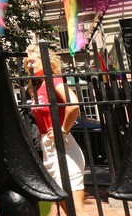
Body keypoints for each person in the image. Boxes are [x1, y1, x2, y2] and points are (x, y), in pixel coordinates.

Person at [26, 44, 86, 216]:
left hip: (63, 149)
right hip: (48, 150)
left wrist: (62, 130)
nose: (29, 66)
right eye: (27, 63)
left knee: (76, 211)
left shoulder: (54, 80)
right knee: (67, 209)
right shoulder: (40, 87)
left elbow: (73, 104)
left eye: (32, 61)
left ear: (45, 61)